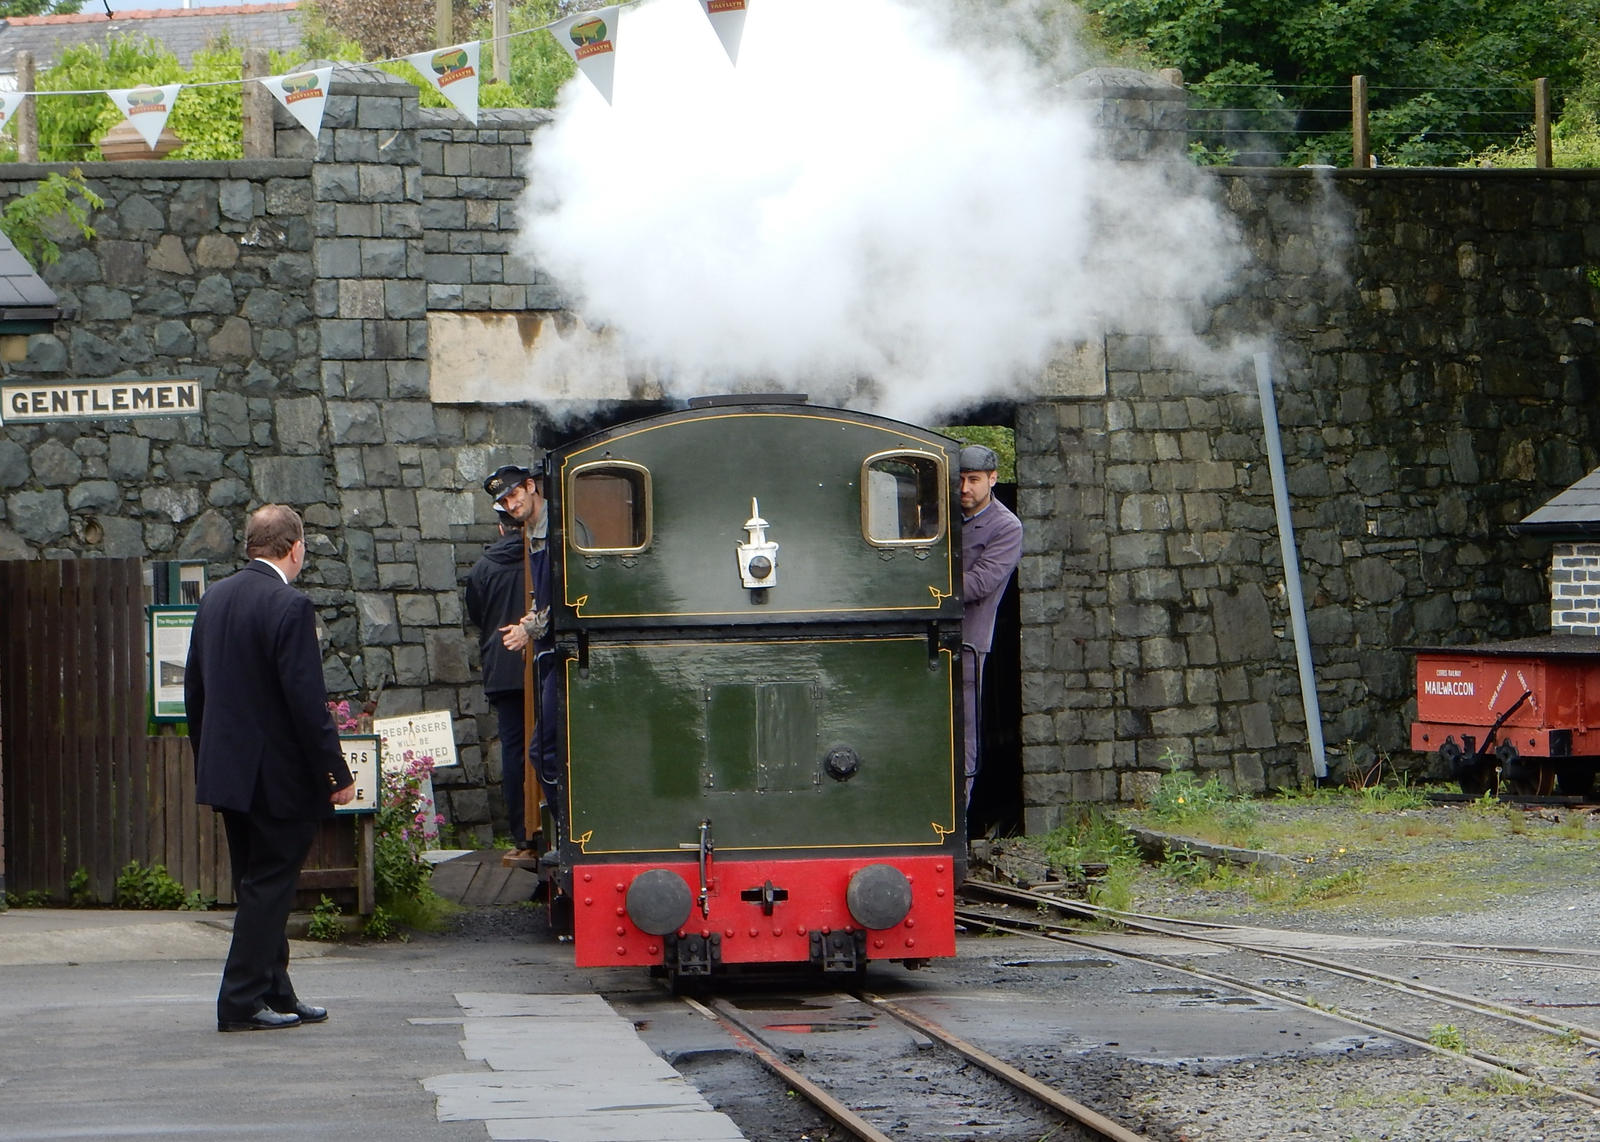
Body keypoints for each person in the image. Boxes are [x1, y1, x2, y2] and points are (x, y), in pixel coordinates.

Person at [185, 504, 355, 1033]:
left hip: (231, 774)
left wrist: (209, 758)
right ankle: (239, 1003)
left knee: (259, 884)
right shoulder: (289, 605)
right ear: (295, 547)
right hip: (277, 777)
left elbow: (197, 691)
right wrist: (336, 774)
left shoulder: (214, 599)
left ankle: (276, 991)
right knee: (270, 888)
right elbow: (307, 704)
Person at [480, 462, 560, 851]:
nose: (510, 504)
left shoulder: (561, 530)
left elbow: (569, 599)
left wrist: (528, 628)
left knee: (540, 749)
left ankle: (565, 831)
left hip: (567, 655)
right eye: (504, 500)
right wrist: (528, 623)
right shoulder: (534, 533)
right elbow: (545, 600)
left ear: (531, 487)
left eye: (513, 495)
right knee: (539, 750)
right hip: (549, 656)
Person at [465, 494, 535, 856]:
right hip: (542, 664)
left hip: (503, 668)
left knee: (514, 751)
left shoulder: (481, 570)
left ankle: (522, 833)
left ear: (499, 527)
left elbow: (479, 616)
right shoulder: (536, 559)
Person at [958, 444, 1023, 807]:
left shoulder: (1006, 527)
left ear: (992, 479)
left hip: (967, 643)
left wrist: (919, 586)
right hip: (919, 639)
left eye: (973, 480)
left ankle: (959, 820)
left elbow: (979, 584)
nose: (965, 488)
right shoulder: (941, 513)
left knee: (964, 732)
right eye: (960, 480)